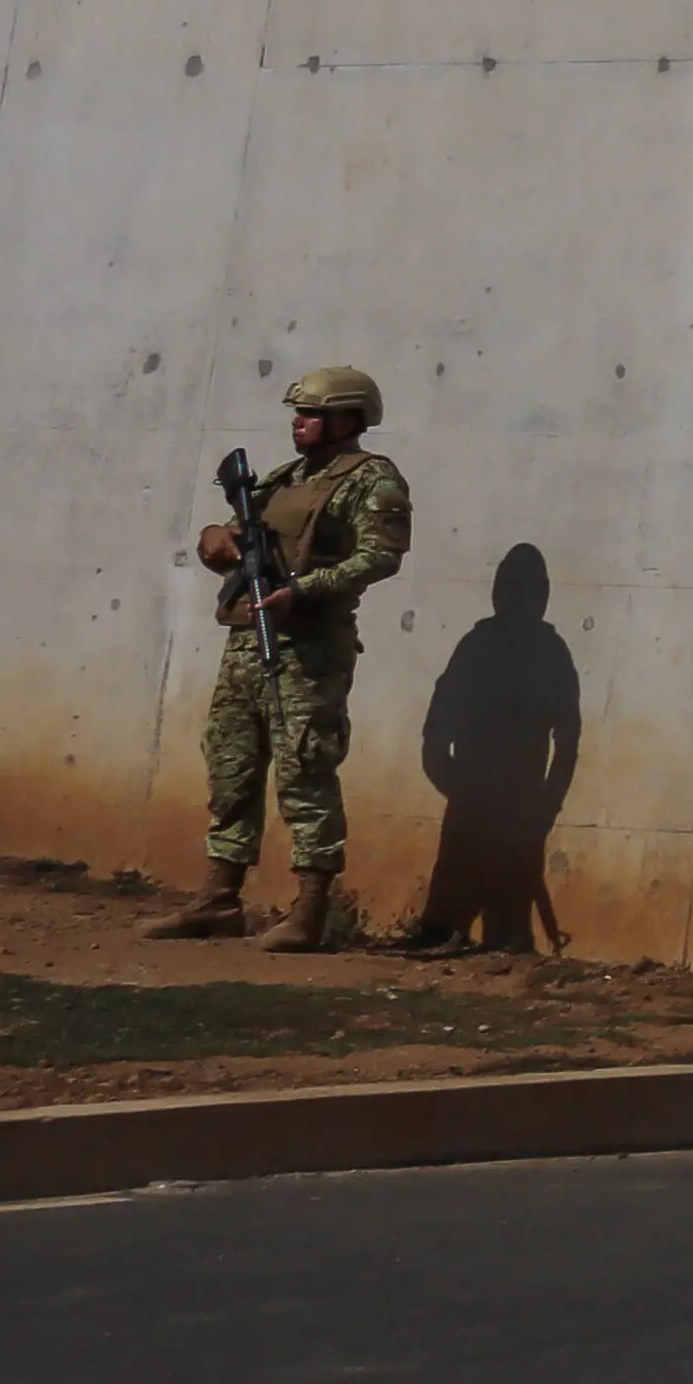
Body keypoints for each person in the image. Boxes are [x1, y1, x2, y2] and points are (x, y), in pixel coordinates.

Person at [152, 364, 413, 949]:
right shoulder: (283, 477)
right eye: (298, 413)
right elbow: (227, 534)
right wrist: (216, 540)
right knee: (230, 764)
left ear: (348, 419)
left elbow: (381, 557)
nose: (299, 423)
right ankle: (218, 899)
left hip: (310, 647)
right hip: (248, 638)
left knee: (304, 769)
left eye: (313, 414)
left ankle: (308, 911)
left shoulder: (373, 480)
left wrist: (306, 589)